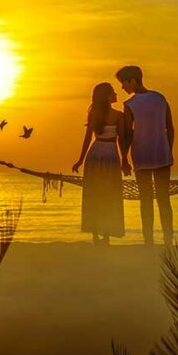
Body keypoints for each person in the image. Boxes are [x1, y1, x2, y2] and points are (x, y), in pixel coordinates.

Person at [116, 65, 174, 246]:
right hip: (162, 154)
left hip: (141, 154)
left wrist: (123, 158)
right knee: (164, 198)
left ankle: (148, 239)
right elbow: (170, 128)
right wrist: (168, 150)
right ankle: (168, 239)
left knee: (146, 199)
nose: (122, 88)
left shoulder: (130, 105)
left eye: (123, 83)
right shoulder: (160, 98)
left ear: (132, 80)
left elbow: (126, 135)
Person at [72, 82, 127, 245]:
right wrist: (125, 161)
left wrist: (81, 160)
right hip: (110, 156)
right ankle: (106, 235)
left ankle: (96, 234)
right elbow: (122, 141)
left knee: (94, 194)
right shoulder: (119, 116)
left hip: (95, 155)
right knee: (109, 194)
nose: (116, 94)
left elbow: (88, 139)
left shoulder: (95, 115)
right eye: (113, 92)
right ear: (108, 96)